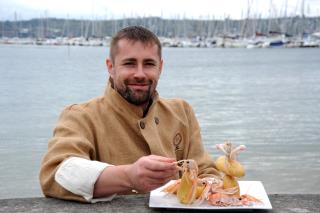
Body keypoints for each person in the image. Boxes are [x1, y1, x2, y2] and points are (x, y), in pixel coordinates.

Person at [39, 26, 219, 203]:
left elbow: (207, 172)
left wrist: (210, 185)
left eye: (149, 64)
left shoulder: (182, 111)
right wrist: (128, 176)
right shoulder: (80, 116)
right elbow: (55, 174)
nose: (140, 74)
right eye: (129, 63)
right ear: (111, 67)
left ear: (160, 67)